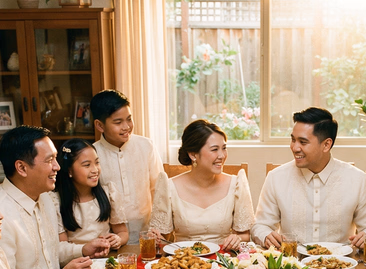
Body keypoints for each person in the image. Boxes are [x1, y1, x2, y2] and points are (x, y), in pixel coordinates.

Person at [0, 125, 110, 269]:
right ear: (22, 168)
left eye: (56, 159)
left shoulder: (46, 198)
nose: (57, 167)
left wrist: (83, 250)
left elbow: (51, 252)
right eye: (49, 160)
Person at [251, 107, 366, 249]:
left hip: (340, 265)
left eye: (303, 142)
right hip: (292, 265)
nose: (294, 147)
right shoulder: (276, 178)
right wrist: (266, 235)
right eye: (293, 140)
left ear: (326, 145)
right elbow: (260, 226)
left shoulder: (357, 180)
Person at [150, 120, 255, 250]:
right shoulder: (169, 186)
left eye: (224, 148)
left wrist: (237, 238)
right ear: (193, 154)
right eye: (214, 149)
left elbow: (245, 234)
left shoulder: (237, 184)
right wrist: (155, 239)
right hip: (184, 263)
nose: (222, 155)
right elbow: (164, 238)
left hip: (223, 262)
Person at [92, 90, 164, 243]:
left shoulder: (146, 146)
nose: (126, 127)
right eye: (118, 122)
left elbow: (159, 190)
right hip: (109, 239)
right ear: (100, 125)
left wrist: (157, 228)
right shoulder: (92, 154)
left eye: (129, 119)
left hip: (148, 235)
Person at [52, 138, 128, 248]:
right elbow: (63, 247)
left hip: (106, 260)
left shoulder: (109, 193)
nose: (95, 170)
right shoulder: (56, 201)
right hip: (77, 261)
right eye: (87, 165)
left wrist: (118, 239)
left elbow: (123, 232)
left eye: (97, 162)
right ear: (69, 170)